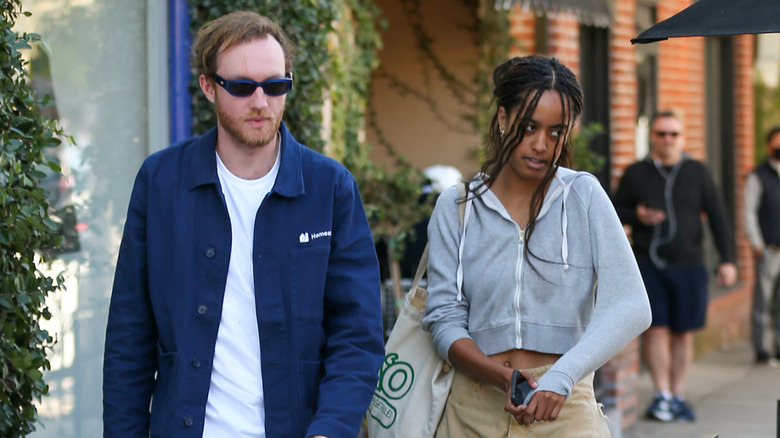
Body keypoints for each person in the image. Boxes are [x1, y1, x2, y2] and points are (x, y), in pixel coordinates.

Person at [102, 11, 384, 438]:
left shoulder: (329, 188)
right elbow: (130, 335)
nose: (260, 101)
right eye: (241, 86)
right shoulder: (161, 182)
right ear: (209, 88)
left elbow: (357, 334)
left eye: (275, 85)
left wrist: (330, 428)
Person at [422, 55, 652, 437]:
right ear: (502, 118)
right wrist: (498, 376)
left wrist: (562, 375)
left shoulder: (583, 196)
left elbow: (631, 304)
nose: (541, 145)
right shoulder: (458, 206)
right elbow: (443, 316)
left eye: (556, 132)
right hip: (474, 409)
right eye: (529, 127)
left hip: (566, 409)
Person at [613, 110, 738, 422]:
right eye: (661, 134)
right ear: (651, 136)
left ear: (682, 138)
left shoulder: (697, 171)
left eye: (673, 134)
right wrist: (637, 216)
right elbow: (613, 211)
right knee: (655, 329)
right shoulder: (636, 173)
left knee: (683, 333)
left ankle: (678, 394)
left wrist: (728, 260)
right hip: (648, 263)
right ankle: (662, 395)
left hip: (689, 263)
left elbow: (719, 218)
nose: (667, 140)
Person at [744, 126, 780, 364]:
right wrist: (757, 244)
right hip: (769, 249)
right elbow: (748, 211)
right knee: (762, 301)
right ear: (768, 146)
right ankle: (761, 348)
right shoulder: (758, 176)